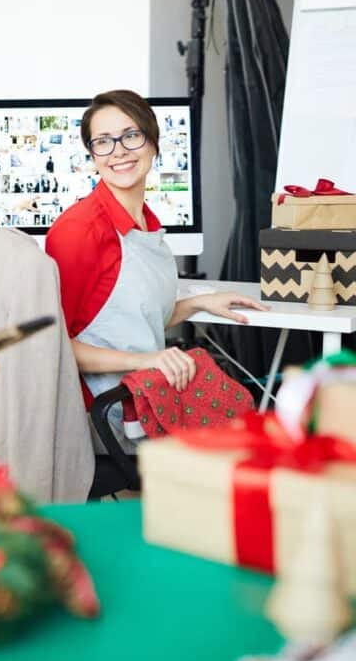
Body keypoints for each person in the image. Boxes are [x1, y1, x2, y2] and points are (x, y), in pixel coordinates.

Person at [45, 90, 267, 451]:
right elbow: (53, 345)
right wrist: (149, 359)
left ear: (153, 143)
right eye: (103, 141)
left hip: (146, 393)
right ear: (91, 155)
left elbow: (122, 323)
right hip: (105, 413)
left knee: (251, 437)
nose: (118, 151)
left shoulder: (147, 224)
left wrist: (199, 303)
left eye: (130, 135)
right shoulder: (80, 231)